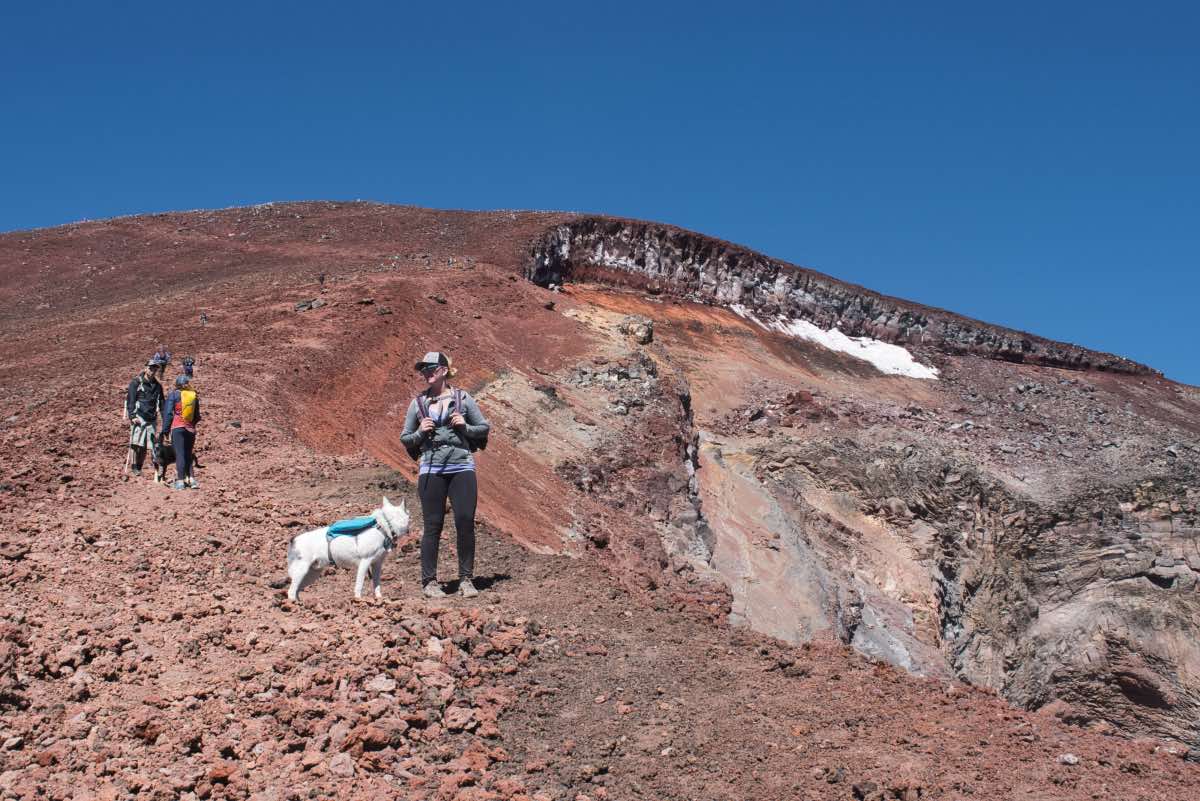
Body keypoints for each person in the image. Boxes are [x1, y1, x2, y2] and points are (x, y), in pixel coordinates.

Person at [399, 351, 490, 599]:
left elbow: (483, 428)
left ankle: (466, 579)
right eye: (423, 370)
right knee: (432, 525)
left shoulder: (463, 398)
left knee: (464, 521)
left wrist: (464, 426)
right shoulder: (417, 404)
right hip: (431, 468)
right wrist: (419, 433)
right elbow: (405, 437)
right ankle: (429, 582)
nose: (426, 373)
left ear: (442, 370)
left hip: (461, 466)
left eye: (430, 369)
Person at [124, 358, 166, 476]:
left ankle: (139, 467)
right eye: (151, 368)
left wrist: (165, 419)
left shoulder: (157, 386)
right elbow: (130, 400)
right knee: (136, 443)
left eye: (155, 368)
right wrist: (132, 416)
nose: (153, 370)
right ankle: (133, 467)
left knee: (146, 445)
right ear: (146, 368)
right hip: (139, 416)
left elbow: (162, 403)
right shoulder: (136, 382)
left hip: (151, 417)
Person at [161, 374, 201, 490]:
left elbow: (168, 414)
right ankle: (192, 480)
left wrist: (165, 430)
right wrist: (192, 425)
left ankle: (180, 481)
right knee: (188, 454)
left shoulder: (173, 395)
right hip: (191, 429)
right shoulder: (194, 396)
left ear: (177, 384)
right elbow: (197, 416)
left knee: (179, 454)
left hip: (178, 427)